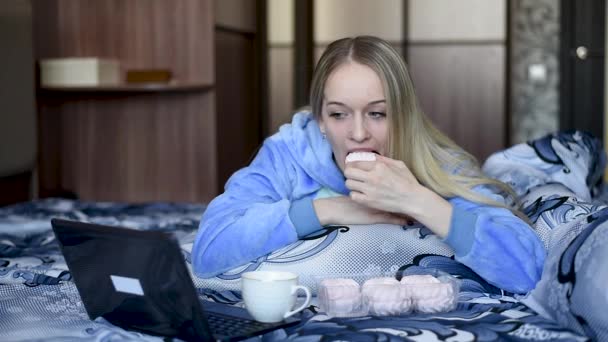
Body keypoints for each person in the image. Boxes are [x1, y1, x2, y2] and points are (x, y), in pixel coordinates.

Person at [192, 36, 545, 294]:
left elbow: (527, 268)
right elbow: (209, 249)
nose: (358, 133)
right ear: (319, 120)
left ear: (402, 116)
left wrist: (417, 200)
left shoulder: (438, 162)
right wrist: (332, 209)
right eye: (338, 114)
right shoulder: (289, 153)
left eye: (377, 113)